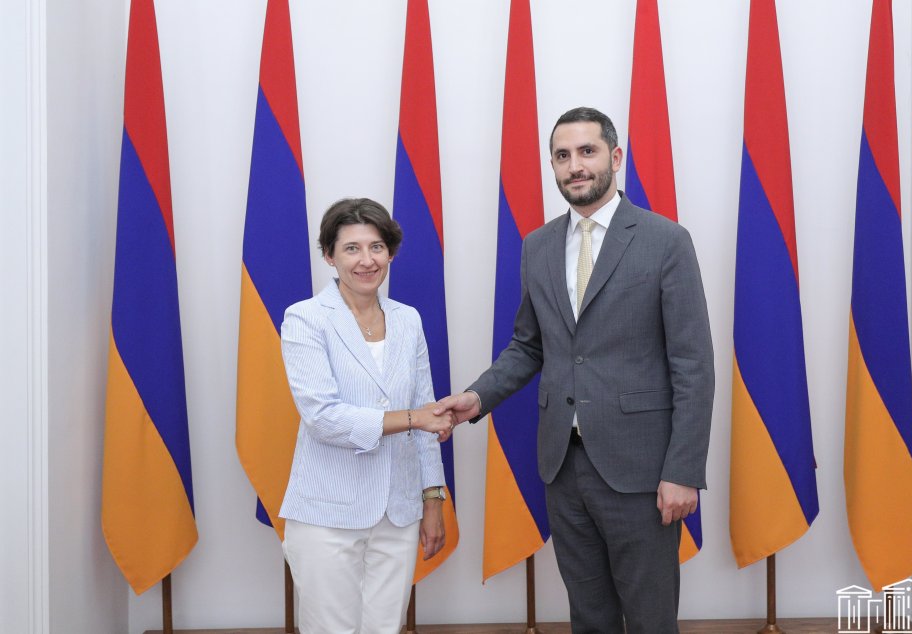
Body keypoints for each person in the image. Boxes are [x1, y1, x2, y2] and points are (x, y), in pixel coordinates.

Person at [437, 107, 714, 633]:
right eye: (562, 156)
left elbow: (693, 365)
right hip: (563, 467)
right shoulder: (538, 245)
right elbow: (529, 346)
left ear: (615, 157)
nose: (575, 166)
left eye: (587, 151)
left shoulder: (665, 240)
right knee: (589, 617)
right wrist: (477, 398)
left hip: (641, 470)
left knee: (651, 620)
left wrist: (683, 471)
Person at [279, 197, 455, 634]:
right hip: (327, 514)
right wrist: (413, 418)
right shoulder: (305, 319)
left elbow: (428, 414)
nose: (366, 260)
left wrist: (433, 501)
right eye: (351, 248)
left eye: (376, 247)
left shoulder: (408, 320)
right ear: (329, 255)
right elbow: (324, 418)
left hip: (399, 512)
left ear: (390, 253)